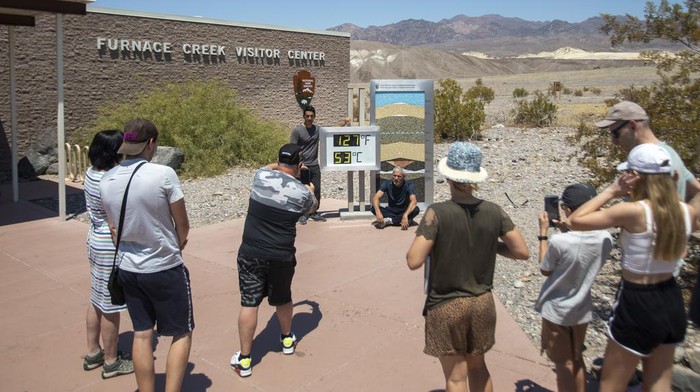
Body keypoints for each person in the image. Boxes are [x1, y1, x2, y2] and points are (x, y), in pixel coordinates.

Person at [568, 143, 696, 392]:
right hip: (671, 298)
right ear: (673, 176)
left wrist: (611, 190)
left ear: (635, 177)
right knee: (659, 383)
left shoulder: (632, 212)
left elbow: (575, 221)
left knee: (611, 384)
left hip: (637, 300)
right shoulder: (686, 212)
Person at [406, 142, 529, 392]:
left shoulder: (437, 213)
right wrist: (489, 244)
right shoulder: (495, 212)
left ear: (448, 177)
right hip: (482, 303)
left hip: (446, 304)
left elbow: (413, 260)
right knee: (479, 368)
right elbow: (521, 252)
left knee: (456, 377)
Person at [100, 119, 193, 392]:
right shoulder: (163, 174)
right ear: (151, 143)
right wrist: (176, 243)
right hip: (164, 266)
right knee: (180, 332)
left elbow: (114, 230)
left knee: (142, 334)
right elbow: (183, 225)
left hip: (128, 268)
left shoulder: (107, 179)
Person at [595, 101, 700, 330]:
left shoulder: (658, 160)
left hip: (649, 275)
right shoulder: (666, 154)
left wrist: (681, 227)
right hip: (658, 267)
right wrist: (685, 224)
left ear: (633, 125)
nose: (613, 141)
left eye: (615, 133)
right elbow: (696, 190)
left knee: (634, 337)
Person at [230, 143, 317, 377]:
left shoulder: (260, 177)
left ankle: (245, 360)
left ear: (278, 162)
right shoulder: (303, 193)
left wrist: (278, 165)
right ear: (299, 165)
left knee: (249, 303)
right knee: (283, 298)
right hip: (281, 255)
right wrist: (308, 187)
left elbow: (267, 167)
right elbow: (311, 208)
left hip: (250, 253)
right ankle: (287, 340)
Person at [534, 183, 613, 392]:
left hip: (557, 309)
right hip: (582, 307)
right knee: (577, 358)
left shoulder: (560, 241)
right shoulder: (605, 238)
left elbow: (545, 269)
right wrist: (569, 225)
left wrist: (543, 234)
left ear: (567, 209)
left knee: (563, 364)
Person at [82, 130, 135, 379]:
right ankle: (111, 361)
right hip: (108, 246)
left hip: (94, 240)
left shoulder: (90, 173)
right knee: (111, 304)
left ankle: (93, 353)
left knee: (96, 299)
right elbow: (116, 222)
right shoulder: (111, 180)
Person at [290, 105, 326, 224]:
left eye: (311, 116)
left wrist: (344, 124)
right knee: (303, 190)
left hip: (315, 164)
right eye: (307, 116)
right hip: (302, 166)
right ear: (304, 116)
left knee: (317, 189)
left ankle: (314, 212)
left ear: (314, 116)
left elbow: (331, 132)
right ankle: (303, 214)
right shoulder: (297, 130)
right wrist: (298, 165)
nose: (309, 118)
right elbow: (293, 148)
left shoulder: (318, 130)